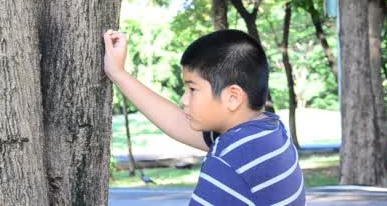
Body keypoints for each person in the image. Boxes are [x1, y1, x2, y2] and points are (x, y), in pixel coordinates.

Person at [103, 28, 305, 206]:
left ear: (232, 97)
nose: (184, 99)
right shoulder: (269, 132)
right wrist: (118, 73)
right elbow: (177, 122)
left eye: (192, 88)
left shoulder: (228, 160)